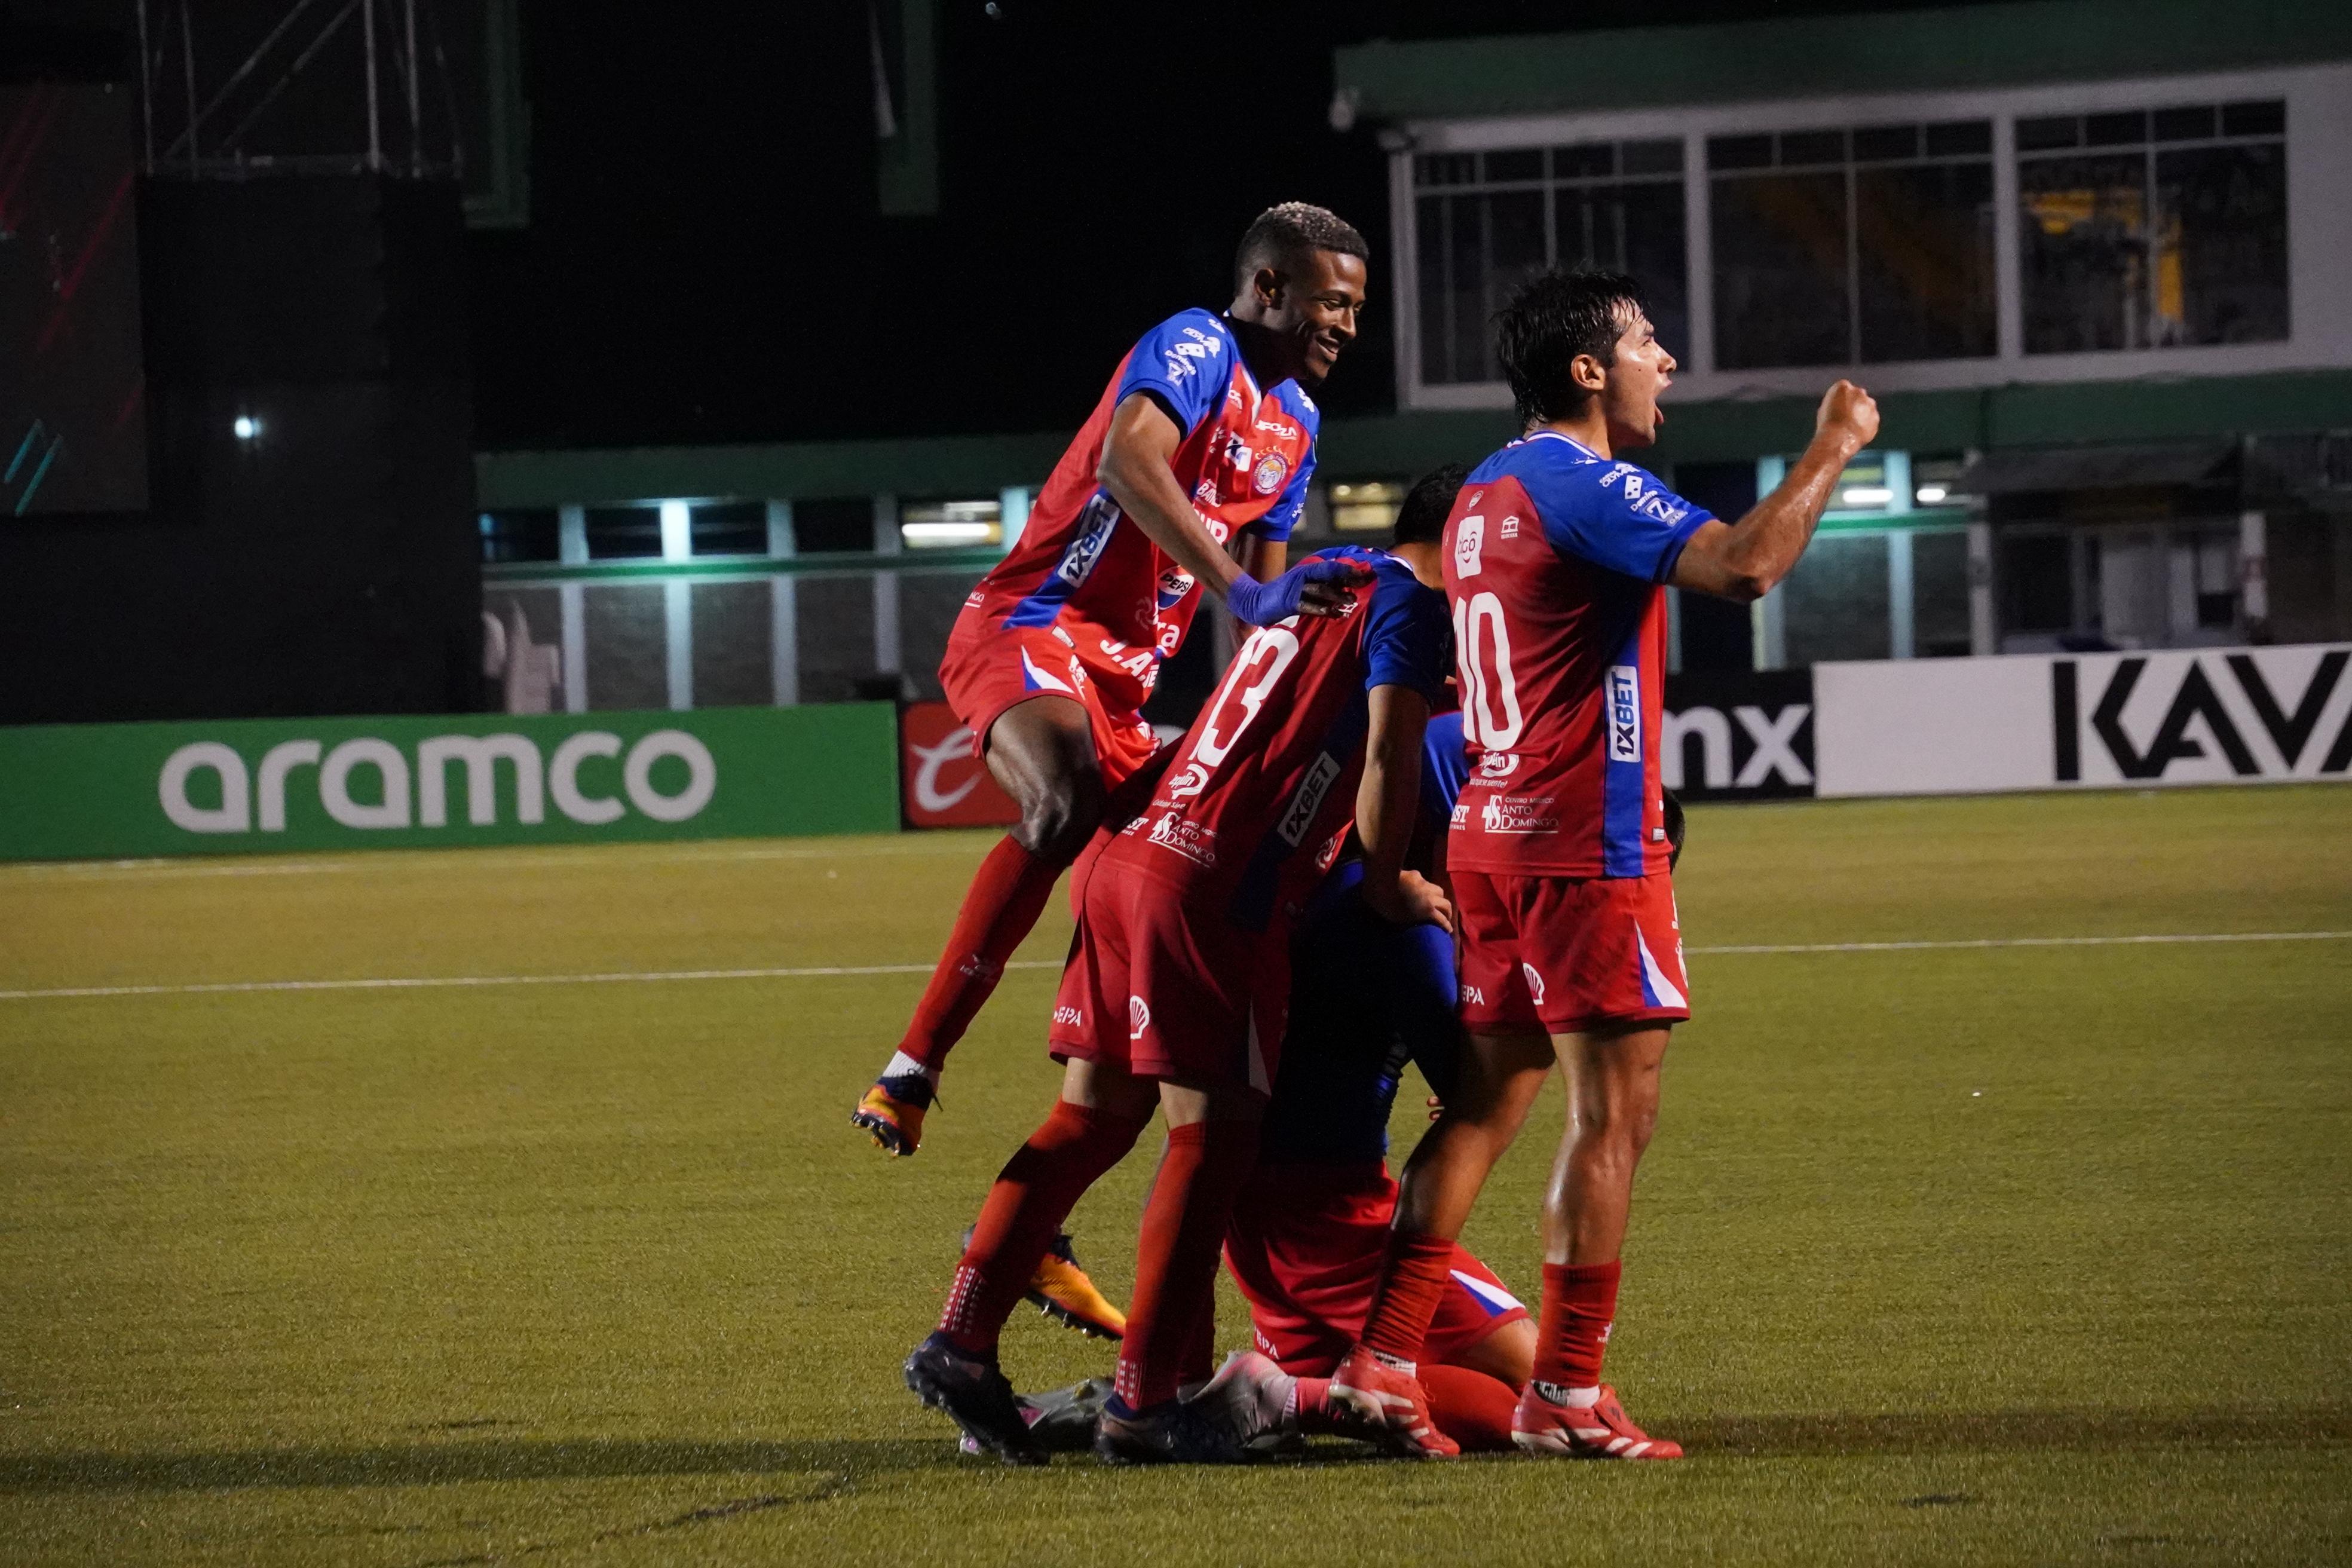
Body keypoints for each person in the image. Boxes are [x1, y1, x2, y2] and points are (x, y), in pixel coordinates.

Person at [1328, 268, 1879, 1461]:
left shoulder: (1481, 491)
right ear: (1588, 370)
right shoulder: (1584, 482)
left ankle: (1379, 1356)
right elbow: (1744, 566)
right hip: (1587, 848)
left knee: (1483, 1102)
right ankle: (1567, 1394)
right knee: (1613, 1118)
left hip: (1491, 837)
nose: (1666, 362)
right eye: (1646, 344)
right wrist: (1832, 448)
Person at [901, 524, 1453, 1466]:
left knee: (1090, 1117)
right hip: (1215, 883)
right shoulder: (1414, 605)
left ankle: (961, 1338)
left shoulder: (1321, 576)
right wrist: (1389, 878)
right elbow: (1388, 757)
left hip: (1130, 847)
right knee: (1216, 1138)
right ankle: (1147, 1402)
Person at [853, 203, 1373, 1168]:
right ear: (1269, 288)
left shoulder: (1296, 423)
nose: (1346, 324)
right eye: (1330, 303)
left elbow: (1267, 607)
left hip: (1126, 692)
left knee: (1164, 879)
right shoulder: (1195, 345)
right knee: (1066, 803)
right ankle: (914, 1063)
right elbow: (1126, 461)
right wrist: (1251, 590)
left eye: (1355, 308)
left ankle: (1047, 1193)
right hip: (1030, 626)